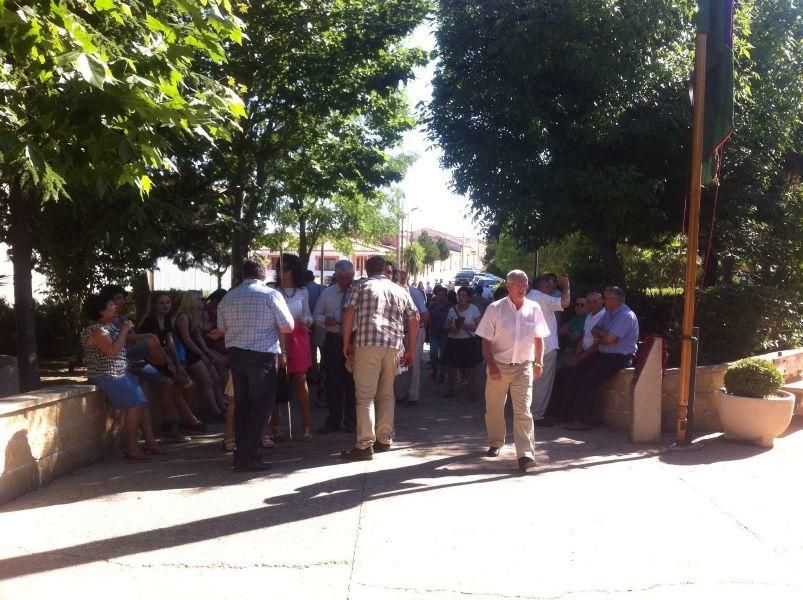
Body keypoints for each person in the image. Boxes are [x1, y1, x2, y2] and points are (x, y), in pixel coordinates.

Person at [217, 258, 294, 472]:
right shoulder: (271, 295)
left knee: (242, 405)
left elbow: (222, 329)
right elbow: (288, 326)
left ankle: (242, 454)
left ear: (243, 275)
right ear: (263, 274)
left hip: (236, 355)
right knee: (260, 407)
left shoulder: (228, 297)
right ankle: (248, 456)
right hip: (261, 356)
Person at [340, 256, 420, 461]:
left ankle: (364, 444)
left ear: (367, 270)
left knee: (365, 396)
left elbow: (349, 313)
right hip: (393, 345)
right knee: (386, 394)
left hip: (367, 343)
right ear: (386, 269)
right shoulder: (400, 290)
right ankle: (384, 438)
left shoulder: (361, 286)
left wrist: (346, 342)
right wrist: (410, 349)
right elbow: (414, 319)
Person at [475, 270, 549, 471]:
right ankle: (496, 442)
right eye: (517, 285)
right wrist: (491, 366)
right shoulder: (495, 308)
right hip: (499, 365)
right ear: (508, 286)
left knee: (524, 410)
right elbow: (486, 341)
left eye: (525, 285)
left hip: (524, 366)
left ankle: (525, 455)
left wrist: (539, 362)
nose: (522, 288)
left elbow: (539, 338)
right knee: (494, 408)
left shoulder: (534, 308)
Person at [81, 293, 166, 460]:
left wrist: (135, 334)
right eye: (111, 305)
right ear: (101, 312)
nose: (115, 307)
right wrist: (124, 330)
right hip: (106, 375)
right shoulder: (97, 330)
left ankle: (146, 443)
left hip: (120, 373)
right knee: (136, 404)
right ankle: (132, 447)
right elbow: (112, 351)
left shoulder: (109, 327)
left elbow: (122, 343)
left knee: (141, 403)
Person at [565, 286, 639, 431]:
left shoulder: (625, 315)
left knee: (589, 380)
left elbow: (607, 340)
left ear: (614, 300)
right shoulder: (609, 313)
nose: (603, 301)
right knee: (575, 374)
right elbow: (595, 331)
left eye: (605, 298)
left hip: (619, 357)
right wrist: (605, 336)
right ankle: (571, 415)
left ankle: (583, 420)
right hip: (604, 354)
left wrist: (605, 337)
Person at [137, 291, 206, 440]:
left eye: (167, 302)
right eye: (161, 303)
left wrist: (178, 364)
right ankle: (176, 425)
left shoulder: (167, 319)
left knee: (188, 386)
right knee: (172, 386)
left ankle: (183, 422)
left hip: (166, 359)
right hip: (152, 359)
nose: (165, 306)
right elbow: (155, 346)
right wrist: (171, 365)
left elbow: (170, 342)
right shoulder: (150, 321)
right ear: (154, 305)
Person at [314, 260, 357, 434]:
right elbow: (316, 314)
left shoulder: (359, 292)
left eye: (349, 278)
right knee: (333, 382)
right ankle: (333, 420)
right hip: (333, 340)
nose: (346, 281)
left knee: (353, 383)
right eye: (342, 278)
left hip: (354, 340)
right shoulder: (327, 294)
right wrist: (324, 320)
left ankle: (352, 421)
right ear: (336, 277)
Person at [549, 292, 604, 422]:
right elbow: (582, 339)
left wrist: (580, 358)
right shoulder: (589, 316)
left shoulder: (603, 317)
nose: (592, 305)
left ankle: (572, 416)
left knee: (572, 379)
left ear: (602, 302)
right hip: (583, 353)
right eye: (590, 302)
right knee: (560, 376)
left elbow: (597, 343)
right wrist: (576, 356)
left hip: (594, 355)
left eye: (595, 302)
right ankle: (558, 413)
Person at [526, 274, 571, 426]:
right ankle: (537, 415)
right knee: (543, 383)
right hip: (546, 346)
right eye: (550, 285)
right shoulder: (541, 297)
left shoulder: (529, 297)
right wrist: (566, 286)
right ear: (543, 285)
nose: (552, 289)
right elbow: (565, 302)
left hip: (530, 346)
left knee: (532, 382)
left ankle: (528, 412)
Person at [175, 290, 227, 421]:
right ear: (192, 301)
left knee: (216, 379)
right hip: (190, 353)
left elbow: (199, 337)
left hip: (199, 351)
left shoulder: (194, 316)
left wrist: (207, 353)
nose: (203, 302)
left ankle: (222, 408)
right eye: (200, 299)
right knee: (208, 381)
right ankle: (215, 411)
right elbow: (187, 340)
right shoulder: (183, 317)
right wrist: (201, 354)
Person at [441, 286, 483, 400]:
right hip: (453, 341)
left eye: (464, 295)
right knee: (452, 367)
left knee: (470, 367)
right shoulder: (452, 310)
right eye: (459, 295)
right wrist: (451, 328)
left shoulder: (474, 309)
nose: (461, 298)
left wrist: (466, 326)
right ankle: (450, 389)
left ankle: (472, 391)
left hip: (468, 341)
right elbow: (445, 325)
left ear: (469, 297)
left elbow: (480, 326)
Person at [396, 269, 429, 406]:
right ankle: (400, 394)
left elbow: (425, 315)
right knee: (399, 363)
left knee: (413, 365)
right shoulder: (395, 292)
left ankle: (413, 396)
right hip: (400, 332)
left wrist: (417, 330)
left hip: (413, 332)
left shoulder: (414, 293)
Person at [427, 285, 451, 383]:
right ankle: (435, 369)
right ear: (436, 295)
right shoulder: (432, 305)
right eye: (439, 295)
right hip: (433, 333)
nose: (441, 296)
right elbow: (428, 317)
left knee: (443, 355)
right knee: (432, 353)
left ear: (446, 296)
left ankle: (442, 374)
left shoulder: (450, 306)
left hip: (445, 334)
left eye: (443, 295)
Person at [304, 269, 324, 379]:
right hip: (321, 324)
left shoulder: (302, 290)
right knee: (322, 349)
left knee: (310, 350)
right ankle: (322, 372)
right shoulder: (321, 288)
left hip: (307, 324)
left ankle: (312, 373)